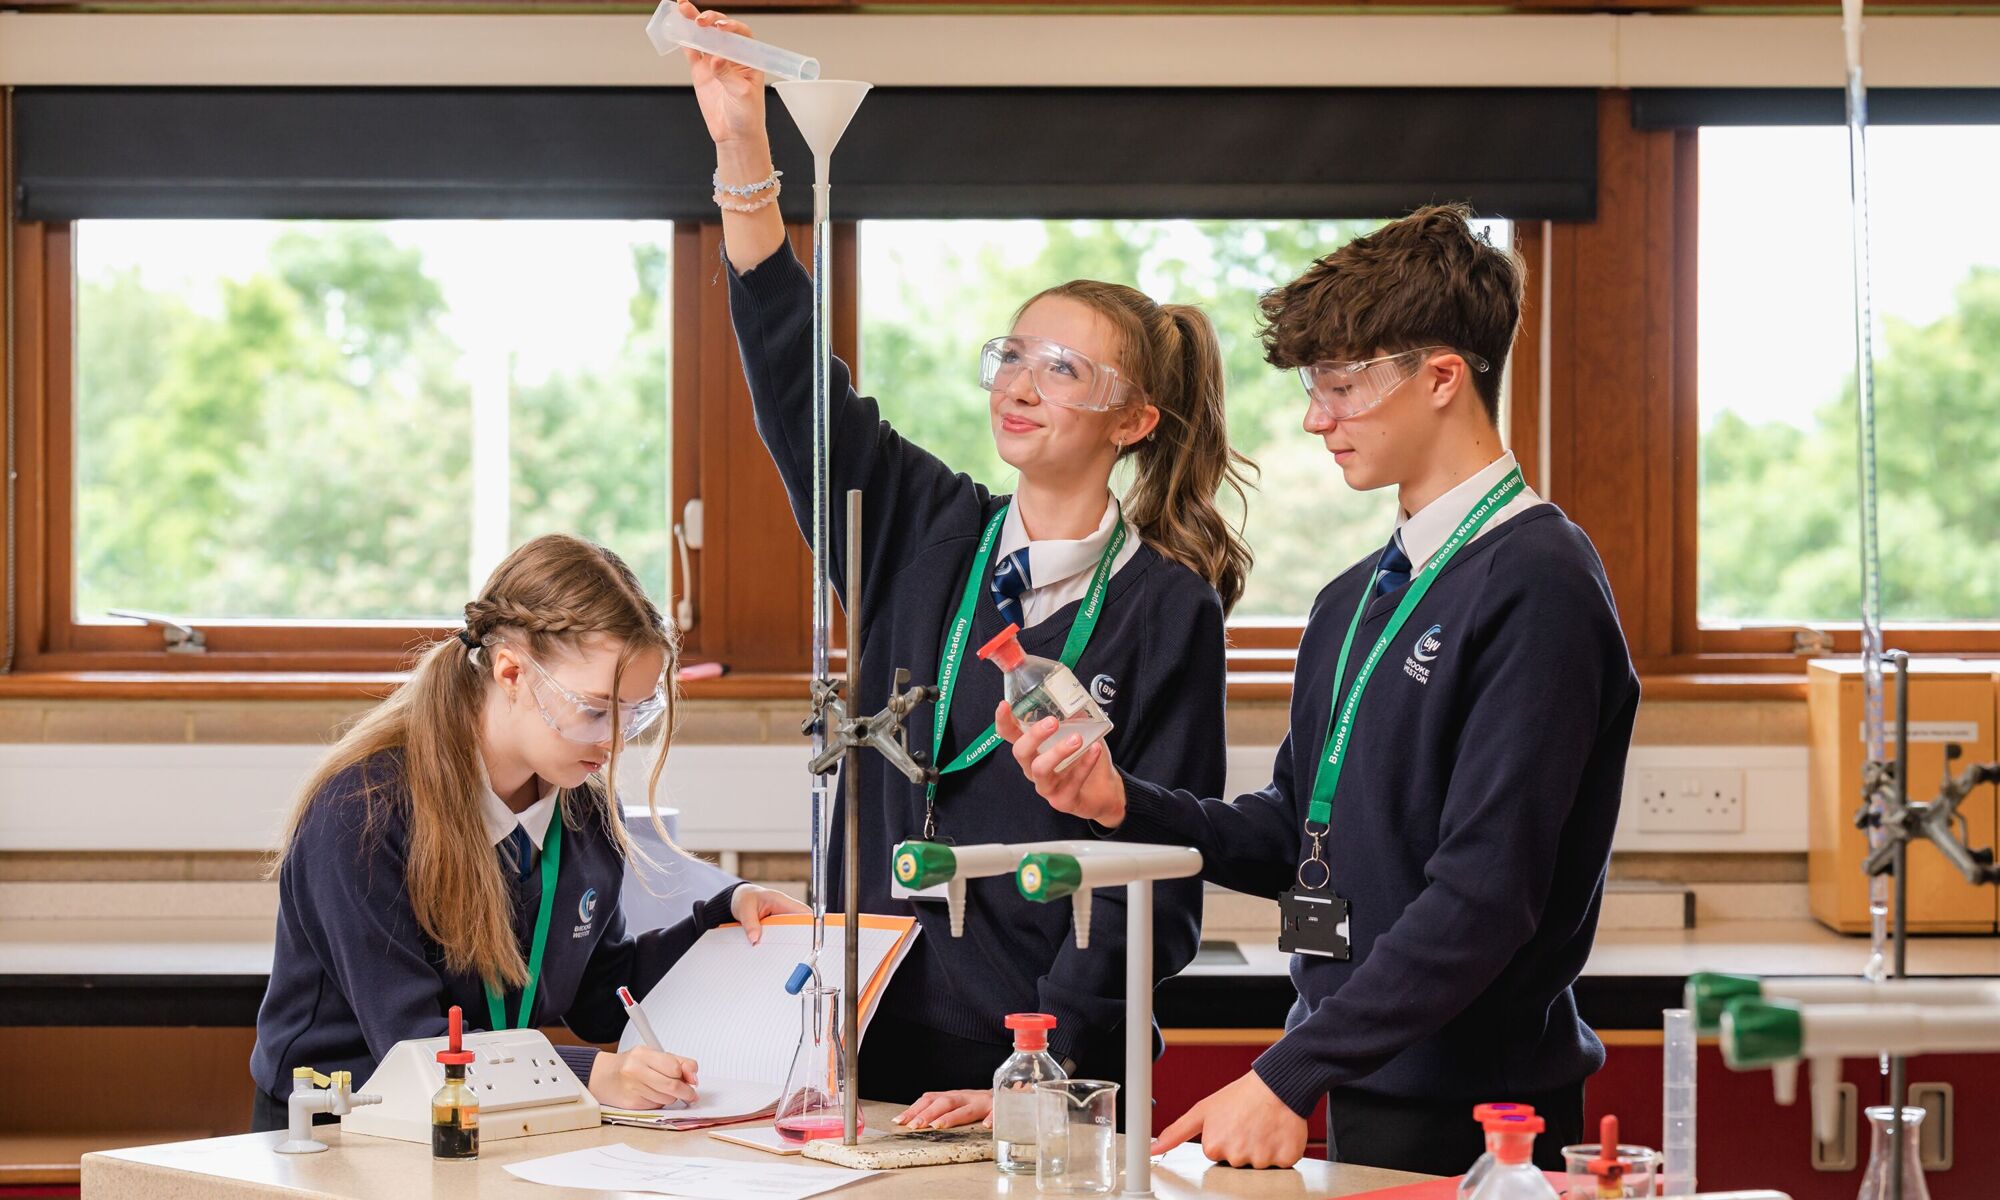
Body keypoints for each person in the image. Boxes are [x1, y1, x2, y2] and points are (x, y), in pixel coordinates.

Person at [679, 2, 1255, 1125]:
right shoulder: (919, 525)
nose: (1019, 385)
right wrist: (741, 143)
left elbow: (1162, 877)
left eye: (1061, 369)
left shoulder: (1165, 611)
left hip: (1043, 1066)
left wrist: (1036, 1076)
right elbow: (799, 381)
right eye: (1011, 356)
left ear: (1133, 420)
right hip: (864, 1035)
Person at [1002, 205, 1639, 1174]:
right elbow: (1294, 835)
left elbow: (1483, 898)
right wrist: (1121, 802)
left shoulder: (1537, 583)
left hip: (1482, 1115)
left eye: (1341, 385)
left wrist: (1285, 1074)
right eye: (1312, 386)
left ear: (1439, 376)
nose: (1314, 417)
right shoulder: (1355, 599)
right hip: (1366, 1078)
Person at [248, 533, 805, 1131]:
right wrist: (593, 1075)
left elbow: (600, 995)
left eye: (636, 714)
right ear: (511, 672)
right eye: (594, 709)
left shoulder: (584, 812)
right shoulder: (362, 812)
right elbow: (409, 1045)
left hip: (493, 1118)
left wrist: (720, 923)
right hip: (342, 1132)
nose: (615, 742)